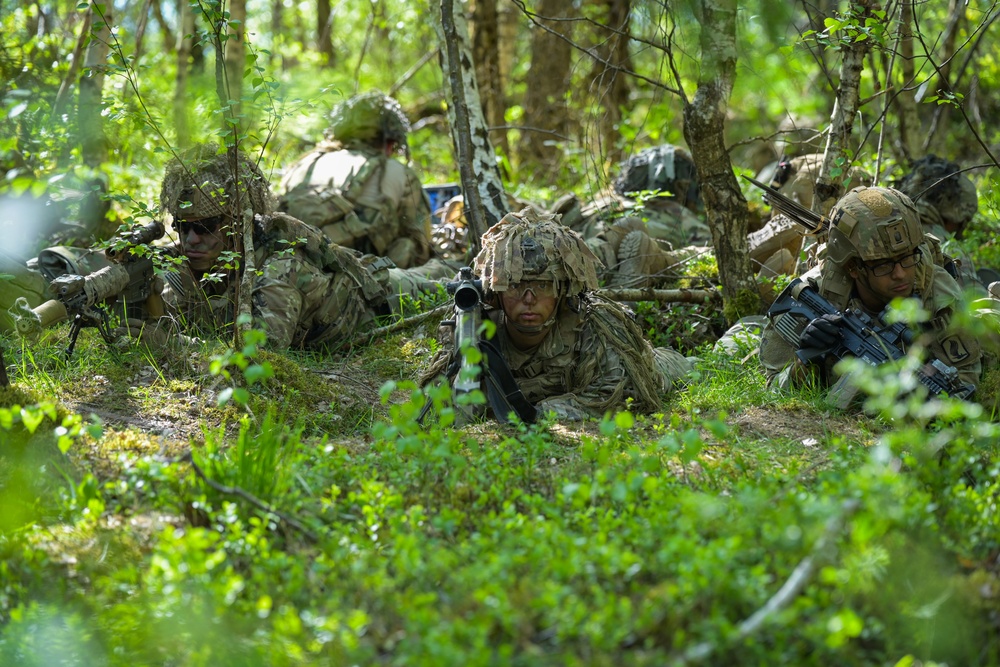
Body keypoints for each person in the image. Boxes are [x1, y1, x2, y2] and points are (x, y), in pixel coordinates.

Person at [420, 207, 693, 421]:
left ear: (562, 290)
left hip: (658, 366)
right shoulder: (476, 326)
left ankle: (693, 264)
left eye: (542, 285)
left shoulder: (592, 323)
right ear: (496, 291)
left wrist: (540, 412)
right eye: (516, 285)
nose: (529, 299)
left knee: (693, 368)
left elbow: (622, 393)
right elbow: (437, 395)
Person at [147, 143, 391, 351]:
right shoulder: (194, 252)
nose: (191, 240)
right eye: (182, 226)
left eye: (205, 227)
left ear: (237, 224)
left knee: (427, 279)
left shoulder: (281, 268)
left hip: (385, 292)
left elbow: (263, 356)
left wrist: (175, 343)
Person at [758, 185, 982, 405]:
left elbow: (967, 379)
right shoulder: (815, 293)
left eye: (907, 258)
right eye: (883, 265)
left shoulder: (938, 292)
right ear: (853, 268)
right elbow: (774, 394)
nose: (900, 274)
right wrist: (805, 361)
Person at [276, 91, 433, 269]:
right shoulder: (397, 171)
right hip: (358, 278)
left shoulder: (304, 162)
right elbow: (421, 245)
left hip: (287, 266)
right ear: (389, 143)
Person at [893, 154, 987, 292]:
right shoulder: (948, 250)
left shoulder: (889, 229)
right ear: (953, 215)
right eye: (963, 221)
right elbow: (978, 306)